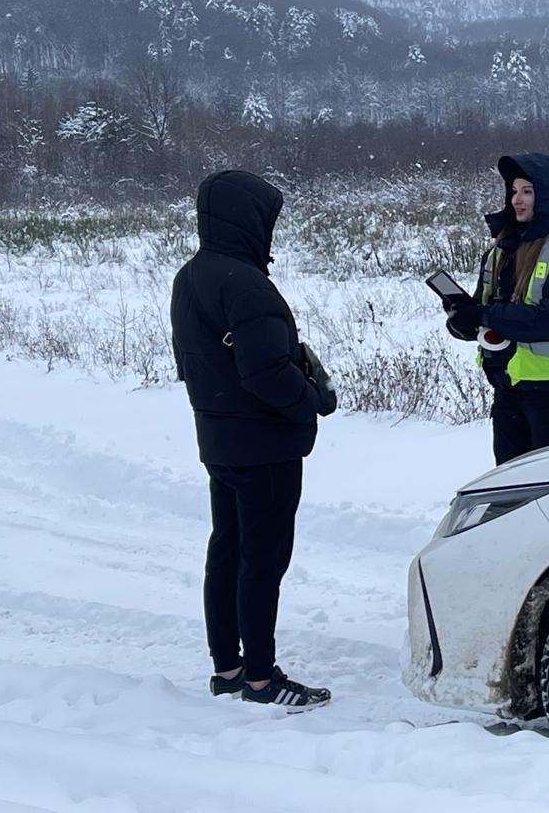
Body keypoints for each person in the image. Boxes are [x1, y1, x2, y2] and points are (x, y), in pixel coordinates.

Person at [170, 169, 335, 712]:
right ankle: (262, 680)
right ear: (248, 219)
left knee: (228, 550)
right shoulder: (245, 282)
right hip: (265, 447)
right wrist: (312, 397)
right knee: (262, 561)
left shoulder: (190, 276)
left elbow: (192, 363)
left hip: (219, 440)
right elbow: (265, 372)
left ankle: (228, 667)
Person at [445, 154, 549, 465]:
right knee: (508, 491)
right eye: (513, 190)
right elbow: (485, 311)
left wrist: (485, 316)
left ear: (547, 195)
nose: (517, 200)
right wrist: (462, 318)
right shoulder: (501, 247)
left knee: (547, 493)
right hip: (506, 388)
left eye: (527, 191)